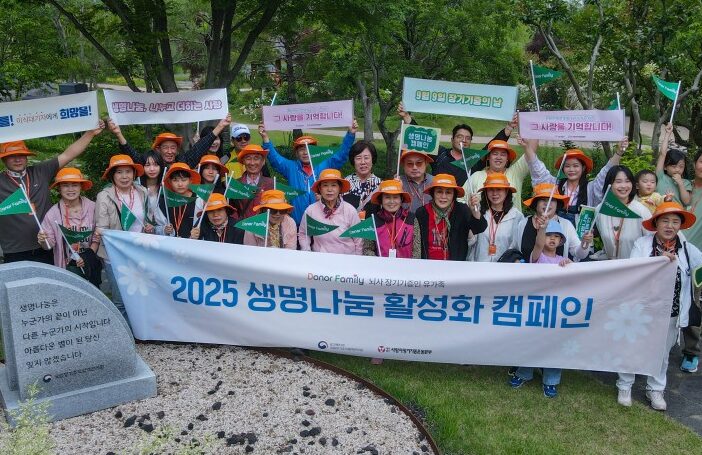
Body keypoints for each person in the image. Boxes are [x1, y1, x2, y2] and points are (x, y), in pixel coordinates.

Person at [618, 202, 702, 410]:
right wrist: (657, 261)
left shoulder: (687, 249)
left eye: (675, 222)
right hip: (642, 309)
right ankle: (625, 385)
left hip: (671, 311)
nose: (670, 226)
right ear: (656, 223)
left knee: (662, 353)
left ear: (680, 226)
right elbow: (634, 270)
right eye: (665, 221)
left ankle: (656, 389)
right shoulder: (642, 244)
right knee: (632, 347)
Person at [0, 123, 104, 264]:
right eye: (12, 156)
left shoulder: (40, 171)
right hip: (15, 250)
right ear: (3, 158)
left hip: (48, 247)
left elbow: (68, 155)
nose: (17, 159)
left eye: (21, 155)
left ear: (27, 157)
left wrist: (90, 133)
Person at [510, 219, 571, 398]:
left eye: (556, 236)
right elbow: (538, 244)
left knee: (554, 344)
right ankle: (524, 373)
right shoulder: (536, 257)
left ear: (561, 241)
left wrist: (569, 266)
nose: (552, 239)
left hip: (555, 310)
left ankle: (551, 381)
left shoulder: (563, 261)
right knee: (531, 341)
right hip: (536, 307)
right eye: (548, 235)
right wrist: (542, 229)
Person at [260, 120, 358, 224]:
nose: (305, 152)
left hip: (322, 224)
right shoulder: (291, 167)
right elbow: (275, 159)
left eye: (309, 148)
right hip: (298, 223)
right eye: (301, 149)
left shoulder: (326, 164)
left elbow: (342, 154)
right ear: (296, 153)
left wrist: (350, 134)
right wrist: (265, 138)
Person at [397, 102, 518, 186]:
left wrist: (508, 128)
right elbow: (423, 138)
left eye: (468, 138)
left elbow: (490, 147)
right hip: (438, 201)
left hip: (463, 207)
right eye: (460, 137)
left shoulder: (474, 158)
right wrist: (406, 116)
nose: (464, 140)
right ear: (452, 139)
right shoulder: (440, 154)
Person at [523, 138, 627, 226]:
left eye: (576, 166)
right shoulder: (554, 185)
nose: (571, 169)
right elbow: (538, 170)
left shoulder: (591, 188)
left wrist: (618, 153)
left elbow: (605, 173)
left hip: (580, 238)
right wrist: (527, 147)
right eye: (567, 166)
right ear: (563, 168)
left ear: (583, 168)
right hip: (554, 235)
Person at [94, 154, 148, 322]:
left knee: (140, 294)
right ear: (112, 175)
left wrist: (149, 226)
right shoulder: (104, 196)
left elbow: (146, 219)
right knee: (120, 299)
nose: (124, 176)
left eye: (128, 171)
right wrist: (102, 232)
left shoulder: (142, 191)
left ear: (134, 174)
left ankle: (139, 331)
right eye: (119, 172)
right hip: (114, 255)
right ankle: (124, 334)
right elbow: (101, 228)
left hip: (138, 252)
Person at [37, 168, 101, 287]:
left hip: (90, 261)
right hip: (67, 265)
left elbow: (98, 236)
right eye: (65, 185)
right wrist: (43, 240)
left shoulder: (93, 207)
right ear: (59, 188)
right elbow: (48, 245)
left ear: (81, 187)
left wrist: (87, 257)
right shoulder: (53, 214)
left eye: (75, 185)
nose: (70, 189)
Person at [106, 113, 231, 168]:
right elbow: (133, 156)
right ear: (157, 149)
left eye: (173, 147)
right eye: (165, 147)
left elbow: (200, 147)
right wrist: (118, 134)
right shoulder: (151, 165)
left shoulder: (183, 162)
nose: (170, 151)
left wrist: (220, 126)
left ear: (177, 150)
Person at [412, 174, 487, 260]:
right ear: (433, 193)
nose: (443, 196)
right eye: (439, 192)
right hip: (428, 265)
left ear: (454, 195)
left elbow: (479, 228)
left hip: (455, 265)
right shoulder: (422, 212)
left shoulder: (462, 210)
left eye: (448, 192)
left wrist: (474, 211)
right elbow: (417, 243)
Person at [517, 183, 591, 262]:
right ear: (536, 203)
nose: (547, 203)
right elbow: (515, 250)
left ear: (557, 204)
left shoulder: (566, 225)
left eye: (552, 200)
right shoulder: (523, 223)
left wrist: (584, 244)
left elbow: (579, 255)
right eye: (543, 199)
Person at [298, 169, 362, 254]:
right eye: (325, 185)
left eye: (334, 185)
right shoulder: (311, 210)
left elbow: (358, 239)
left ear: (340, 188)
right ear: (320, 189)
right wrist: (307, 251)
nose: (329, 189)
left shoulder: (350, 210)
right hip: (321, 258)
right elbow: (303, 234)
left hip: (347, 258)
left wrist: (357, 259)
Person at [595, 166, 651, 260]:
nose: (624, 186)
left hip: (636, 266)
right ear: (609, 184)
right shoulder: (600, 210)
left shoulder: (641, 211)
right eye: (618, 181)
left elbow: (651, 241)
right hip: (610, 265)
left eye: (627, 181)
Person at [461, 139, 530, 211]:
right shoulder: (476, 176)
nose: (499, 157)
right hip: (481, 218)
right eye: (495, 154)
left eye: (503, 154)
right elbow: (460, 199)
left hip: (513, 218)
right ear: (488, 157)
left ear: (507, 158)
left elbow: (531, 154)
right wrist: (470, 206)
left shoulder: (516, 173)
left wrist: (526, 145)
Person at [469, 173, 524, 262]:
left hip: (505, 267)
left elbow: (517, 247)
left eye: (499, 189)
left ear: (506, 191)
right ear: (486, 192)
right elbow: (470, 241)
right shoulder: (477, 212)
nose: (495, 193)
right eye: (491, 189)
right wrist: (474, 213)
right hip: (479, 267)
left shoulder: (517, 216)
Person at [682, 149, 702, 373]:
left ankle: (691, 352)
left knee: (693, 304)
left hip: (697, 259)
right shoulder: (683, 186)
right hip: (670, 253)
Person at [362, 180, 415, 258]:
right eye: (387, 197)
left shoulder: (412, 219)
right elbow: (367, 249)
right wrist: (378, 262)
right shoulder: (373, 220)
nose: (391, 201)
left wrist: (413, 264)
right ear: (381, 200)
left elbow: (417, 249)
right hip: (380, 265)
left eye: (395, 197)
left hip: (408, 265)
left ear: (401, 199)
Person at [160, 162, 201, 238]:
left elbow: (204, 225)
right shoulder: (164, 200)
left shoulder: (199, 200)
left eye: (184, 180)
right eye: (175, 180)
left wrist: (197, 233)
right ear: (170, 182)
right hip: (169, 243)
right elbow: (157, 226)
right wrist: (164, 229)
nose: (180, 184)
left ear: (190, 181)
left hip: (192, 243)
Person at [233, 144, 274, 219]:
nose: (252, 163)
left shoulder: (271, 184)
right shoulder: (235, 184)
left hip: (263, 224)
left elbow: (276, 210)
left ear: (263, 162)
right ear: (243, 161)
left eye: (256, 158)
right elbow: (232, 212)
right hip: (242, 225)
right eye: (248, 158)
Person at [656, 123, 691, 206]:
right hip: (660, 212)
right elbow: (662, 154)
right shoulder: (660, 177)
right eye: (674, 166)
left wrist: (680, 184)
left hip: (677, 213)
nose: (677, 169)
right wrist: (668, 134)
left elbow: (687, 202)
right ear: (665, 167)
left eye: (681, 166)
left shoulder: (686, 183)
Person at [343, 141, 381, 212]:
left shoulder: (381, 185)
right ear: (353, 161)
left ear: (372, 159)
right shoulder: (345, 184)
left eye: (366, 158)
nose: (363, 162)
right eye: (358, 158)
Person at [139, 150, 168, 232]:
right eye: (147, 165)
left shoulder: (166, 187)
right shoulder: (137, 187)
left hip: (164, 233)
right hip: (141, 232)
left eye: (155, 165)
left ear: (161, 166)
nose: (152, 169)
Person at [398, 149, 434, 214]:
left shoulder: (435, 182)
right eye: (409, 163)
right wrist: (396, 190)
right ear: (403, 165)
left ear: (426, 163)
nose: (414, 167)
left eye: (419, 163)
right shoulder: (397, 183)